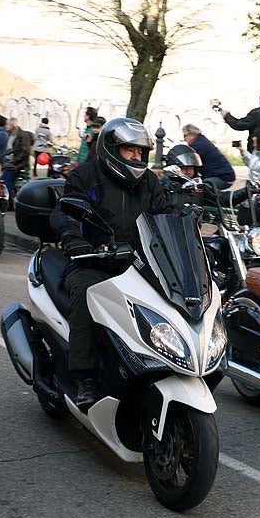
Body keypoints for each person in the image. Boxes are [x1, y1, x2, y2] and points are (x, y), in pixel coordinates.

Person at [49, 118, 172, 408]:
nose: (137, 157)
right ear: (112, 149)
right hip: (94, 261)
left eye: (141, 152)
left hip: (140, 263)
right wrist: (74, 239)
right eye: (131, 150)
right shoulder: (85, 176)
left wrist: (184, 218)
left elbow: (164, 214)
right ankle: (85, 377)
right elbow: (64, 212)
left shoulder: (149, 182)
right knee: (84, 292)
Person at [182, 123, 235, 190]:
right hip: (220, 175)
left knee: (200, 188)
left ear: (192, 135)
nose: (184, 139)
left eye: (185, 136)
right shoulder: (201, 140)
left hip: (223, 178)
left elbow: (189, 162)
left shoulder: (199, 145)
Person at [2, 117, 31, 205]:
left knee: (7, 181)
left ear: (13, 125)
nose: (6, 126)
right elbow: (12, 149)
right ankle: (7, 199)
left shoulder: (22, 135)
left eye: (8, 124)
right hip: (11, 162)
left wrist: (14, 161)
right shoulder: (12, 134)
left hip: (19, 164)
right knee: (2, 179)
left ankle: (7, 202)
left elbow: (25, 151)